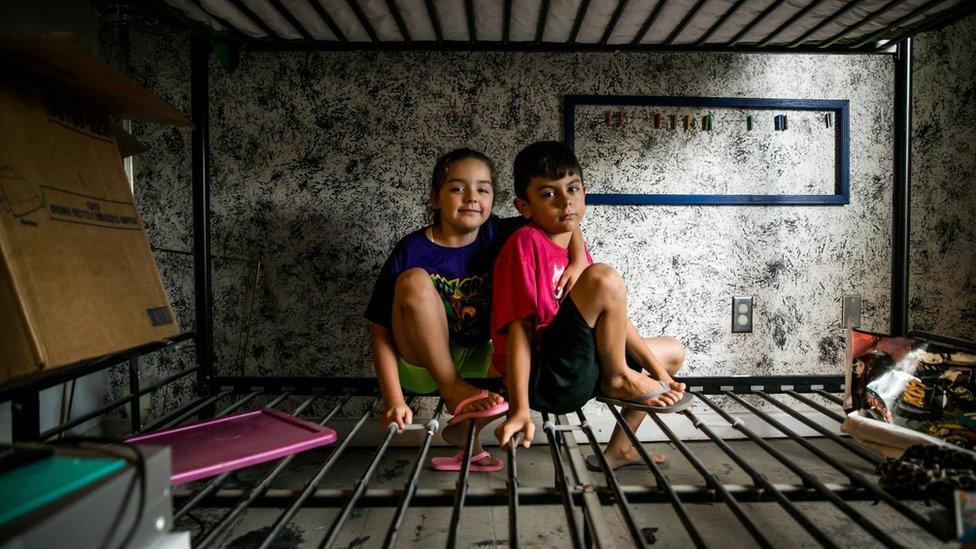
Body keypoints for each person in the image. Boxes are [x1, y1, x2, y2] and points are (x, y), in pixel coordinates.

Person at [365, 147, 588, 471]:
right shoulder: (412, 249)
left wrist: (579, 258)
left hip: (480, 359)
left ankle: (467, 436)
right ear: (434, 198)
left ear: (493, 199)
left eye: (482, 189)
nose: (471, 197)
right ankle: (452, 386)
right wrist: (394, 399)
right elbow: (381, 330)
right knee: (414, 281)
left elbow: (562, 217)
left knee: (521, 342)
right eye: (457, 188)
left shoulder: (499, 233)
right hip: (421, 364)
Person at [491, 141, 688, 470]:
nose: (566, 201)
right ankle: (618, 377)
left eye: (573, 189)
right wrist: (520, 408)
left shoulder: (573, 250)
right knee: (604, 277)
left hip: (577, 364)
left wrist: (660, 376)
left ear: (584, 191)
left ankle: (621, 449)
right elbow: (520, 330)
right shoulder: (525, 243)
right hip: (547, 377)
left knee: (672, 352)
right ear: (524, 207)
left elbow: (618, 323)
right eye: (549, 194)